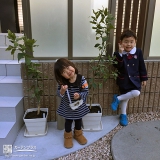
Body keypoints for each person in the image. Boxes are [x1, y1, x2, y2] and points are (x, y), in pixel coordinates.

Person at [111, 29, 148, 126]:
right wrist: (120, 53)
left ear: (135, 42)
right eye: (126, 42)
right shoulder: (117, 54)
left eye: (131, 42)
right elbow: (117, 66)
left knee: (136, 92)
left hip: (135, 80)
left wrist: (144, 78)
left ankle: (117, 98)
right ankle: (123, 115)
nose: (129, 44)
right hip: (124, 80)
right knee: (126, 98)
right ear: (121, 42)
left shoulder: (138, 52)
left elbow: (142, 65)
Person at [54, 58, 90, 149]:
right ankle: (68, 137)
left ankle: (78, 134)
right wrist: (62, 91)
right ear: (61, 76)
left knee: (78, 120)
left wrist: (80, 95)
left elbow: (86, 91)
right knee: (68, 121)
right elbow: (58, 94)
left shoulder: (81, 78)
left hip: (79, 106)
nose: (68, 71)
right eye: (63, 72)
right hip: (68, 107)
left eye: (67, 67)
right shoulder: (62, 82)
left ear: (72, 64)